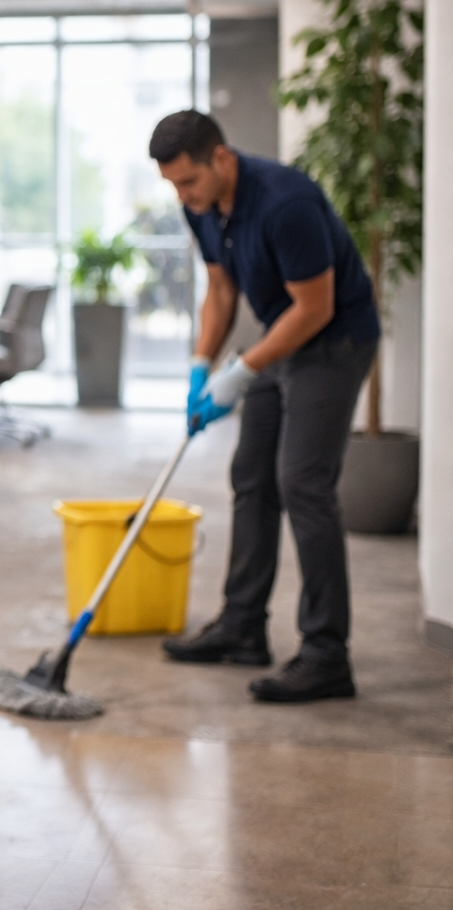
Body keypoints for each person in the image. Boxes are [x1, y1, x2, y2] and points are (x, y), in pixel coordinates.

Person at [151, 110, 379, 703]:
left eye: (188, 181)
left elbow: (316, 308)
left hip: (334, 342)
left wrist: (242, 370)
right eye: (173, 185)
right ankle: (243, 626)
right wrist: (202, 365)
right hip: (283, 337)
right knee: (251, 474)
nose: (182, 196)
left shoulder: (286, 202)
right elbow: (221, 288)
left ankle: (327, 655)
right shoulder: (203, 206)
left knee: (302, 481)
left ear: (221, 159)